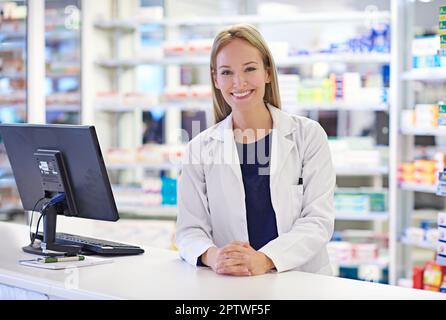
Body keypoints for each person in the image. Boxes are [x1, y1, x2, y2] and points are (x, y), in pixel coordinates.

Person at [175, 23, 335, 276]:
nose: (239, 82)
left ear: (268, 73)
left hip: (300, 281)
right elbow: (189, 229)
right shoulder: (200, 148)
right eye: (227, 72)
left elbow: (318, 221)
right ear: (216, 79)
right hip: (232, 282)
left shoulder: (308, 136)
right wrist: (214, 256)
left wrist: (266, 259)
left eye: (250, 68)